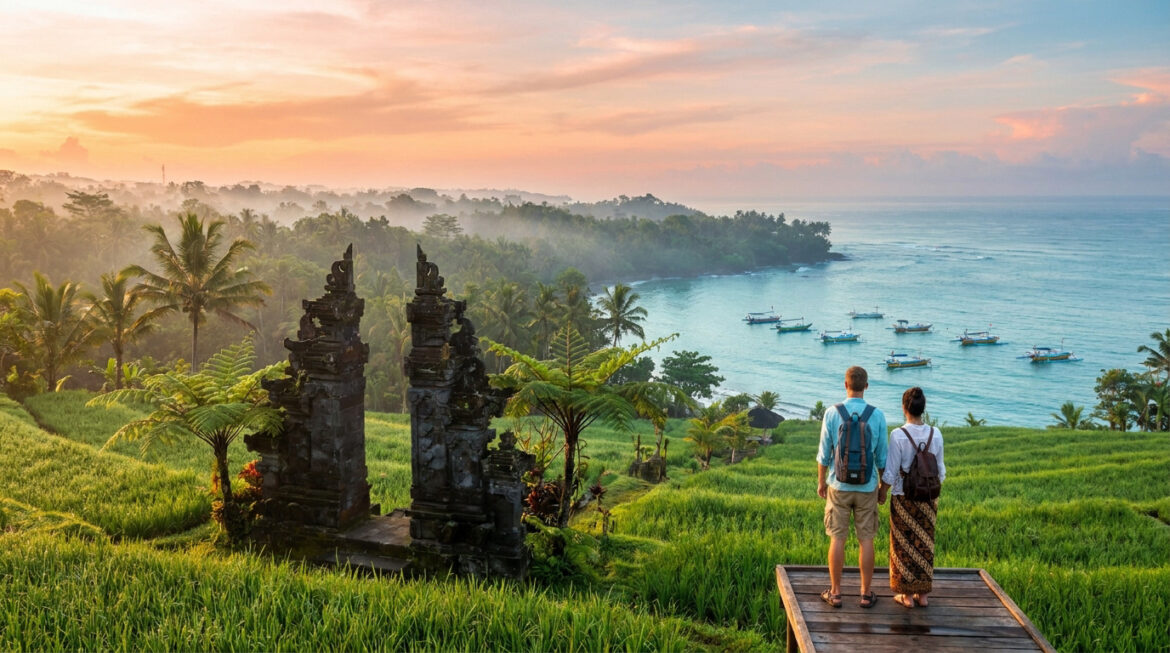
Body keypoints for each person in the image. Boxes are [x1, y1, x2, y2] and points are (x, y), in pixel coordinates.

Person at [816, 366, 888, 609]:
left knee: (837, 538)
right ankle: (866, 594)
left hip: (839, 486)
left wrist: (821, 482)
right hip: (867, 487)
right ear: (866, 386)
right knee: (866, 539)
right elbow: (882, 459)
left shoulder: (832, 413)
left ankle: (835, 593)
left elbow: (823, 454)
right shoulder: (877, 416)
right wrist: (882, 489)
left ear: (845, 385)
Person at [880, 386, 946, 609]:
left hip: (903, 497)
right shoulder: (936, 434)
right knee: (925, 544)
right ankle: (923, 595)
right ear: (923, 409)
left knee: (903, 544)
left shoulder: (898, 435)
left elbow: (890, 472)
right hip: (928, 499)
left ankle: (906, 596)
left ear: (904, 408)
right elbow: (941, 471)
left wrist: (881, 493)